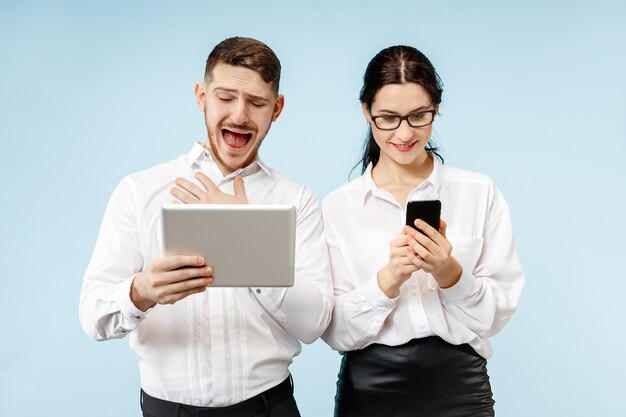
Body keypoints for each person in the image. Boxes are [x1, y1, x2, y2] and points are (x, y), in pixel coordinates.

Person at [79, 36, 333, 417]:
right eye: (225, 97)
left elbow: (314, 322)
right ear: (202, 97)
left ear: (276, 109)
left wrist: (243, 236)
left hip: (268, 407)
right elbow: (93, 316)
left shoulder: (297, 199)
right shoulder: (139, 191)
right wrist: (141, 290)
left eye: (257, 103)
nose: (240, 115)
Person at [321, 45, 525, 417]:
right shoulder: (337, 207)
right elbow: (334, 330)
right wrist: (389, 278)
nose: (404, 132)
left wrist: (449, 272)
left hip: (461, 391)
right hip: (369, 393)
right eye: (388, 118)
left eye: (418, 116)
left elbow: (497, 314)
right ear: (366, 112)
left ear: (437, 108)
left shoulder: (479, 192)